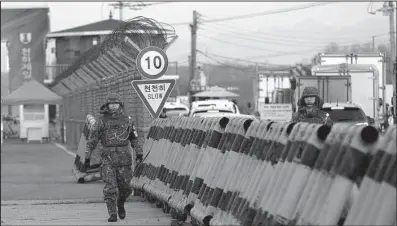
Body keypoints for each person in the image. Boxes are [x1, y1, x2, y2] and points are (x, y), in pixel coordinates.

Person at [85, 93, 143, 222]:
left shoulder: (127, 120)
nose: (114, 106)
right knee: (110, 187)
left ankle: (120, 202)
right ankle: (112, 213)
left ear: (120, 105)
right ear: (107, 105)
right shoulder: (101, 121)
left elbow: (134, 138)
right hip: (108, 159)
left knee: (127, 188)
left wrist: (139, 153)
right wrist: (87, 157)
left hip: (124, 159)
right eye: (111, 104)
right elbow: (92, 140)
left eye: (116, 104)